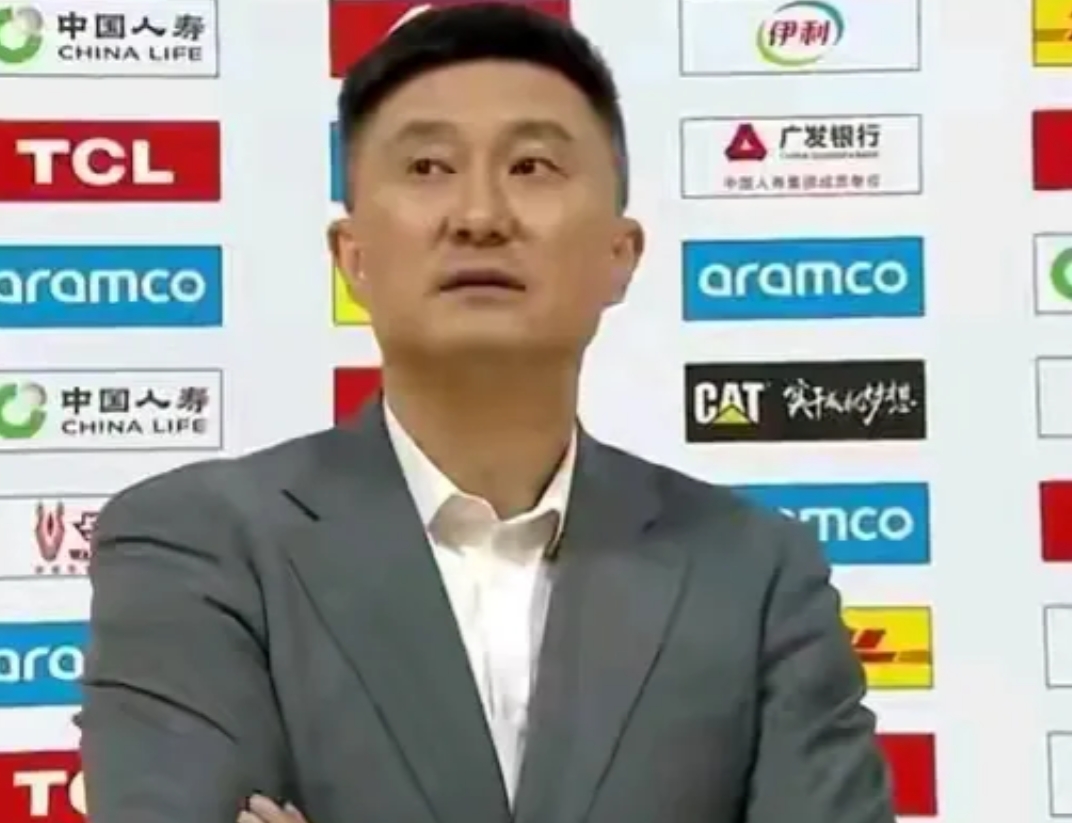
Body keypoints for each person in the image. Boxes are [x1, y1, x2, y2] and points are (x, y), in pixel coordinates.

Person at [77, 4, 898, 823]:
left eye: (532, 166)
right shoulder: (197, 544)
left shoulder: (752, 572)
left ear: (620, 255)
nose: (479, 217)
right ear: (352, 257)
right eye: (428, 166)